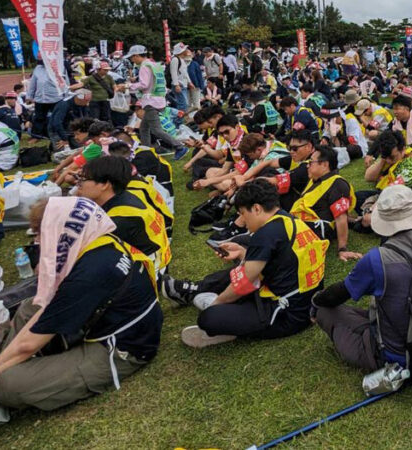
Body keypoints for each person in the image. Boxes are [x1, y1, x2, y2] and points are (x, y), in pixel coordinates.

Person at [0, 197, 162, 430]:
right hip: (110, 322)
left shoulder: (91, 271)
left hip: (122, 349)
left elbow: (30, 342)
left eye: (40, 234)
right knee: (29, 308)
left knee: (7, 385)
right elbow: (43, 311)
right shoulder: (97, 239)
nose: (38, 242)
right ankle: (3, 375)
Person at [311, 185, 412, 376]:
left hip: (399, 355)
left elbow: (338, 294)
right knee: (378, 310)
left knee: (326, 312)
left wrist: (315, 302)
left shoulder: (378, 259)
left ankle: (376, 351)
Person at [169, 180, 328, 347]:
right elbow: (281, 262)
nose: (243, 220)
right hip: (306, 303)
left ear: (257, 208)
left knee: (208, 318)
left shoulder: (266, 234)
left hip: (286, 314)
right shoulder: (288, 220)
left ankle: (223, 316)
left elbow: (244, 282)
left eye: (243, 213)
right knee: (238, 265)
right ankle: (212, 299)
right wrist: (242, 252)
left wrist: (216, 305)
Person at [75, 156, 172, 274]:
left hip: (149, 273)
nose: (78, 184)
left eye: (82, 179)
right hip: (157, 259)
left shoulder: (116, 220)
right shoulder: (125, 195)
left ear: (105, 184)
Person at [289, 145, 358, 258]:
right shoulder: (315, 180)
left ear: (325, 164)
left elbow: (341, 218)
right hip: (300, 222)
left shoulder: (338, 184)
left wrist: (342, 249)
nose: (307, 165)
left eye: (311, 162)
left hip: (314, 228)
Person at [124, 45, 188, 159]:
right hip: (158, 100)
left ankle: (179, 147)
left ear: (137, 56)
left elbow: (144, 84)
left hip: (150, 102)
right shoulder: (153, 64)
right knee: (144, 128)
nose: (132, 60)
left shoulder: (144, 66)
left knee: (156, 129)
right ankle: (147, 152)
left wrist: (128, 86)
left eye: (132, 57)